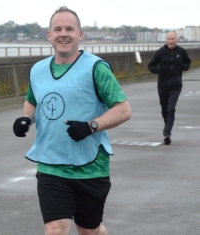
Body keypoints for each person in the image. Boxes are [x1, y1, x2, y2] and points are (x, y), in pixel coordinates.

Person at [13, 6, 131, 235]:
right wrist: (25, 119)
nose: (63, 34)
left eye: (69, 29)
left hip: (90, 166)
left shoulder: (96, 68)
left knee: (89, 230)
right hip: (50, 163)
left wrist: (91, 126)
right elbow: (32, 101)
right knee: (55, 229)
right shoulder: (37, 70)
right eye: (57, 29)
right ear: (49, 35)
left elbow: (123, 110)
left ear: (80, 34)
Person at [148, 31, 191, 145]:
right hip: (163, 86)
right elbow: (151, 66)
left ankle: (167, 133)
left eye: (173, 39)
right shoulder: (161, 52)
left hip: (176, 85)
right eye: (169, 39)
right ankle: (167, 126)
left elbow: (187, 63)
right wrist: (160, 70)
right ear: (166, 40)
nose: (171, 41)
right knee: (164, 109)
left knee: (171, 108)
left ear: (176, 40)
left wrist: (182, 67)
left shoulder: (181, 52)